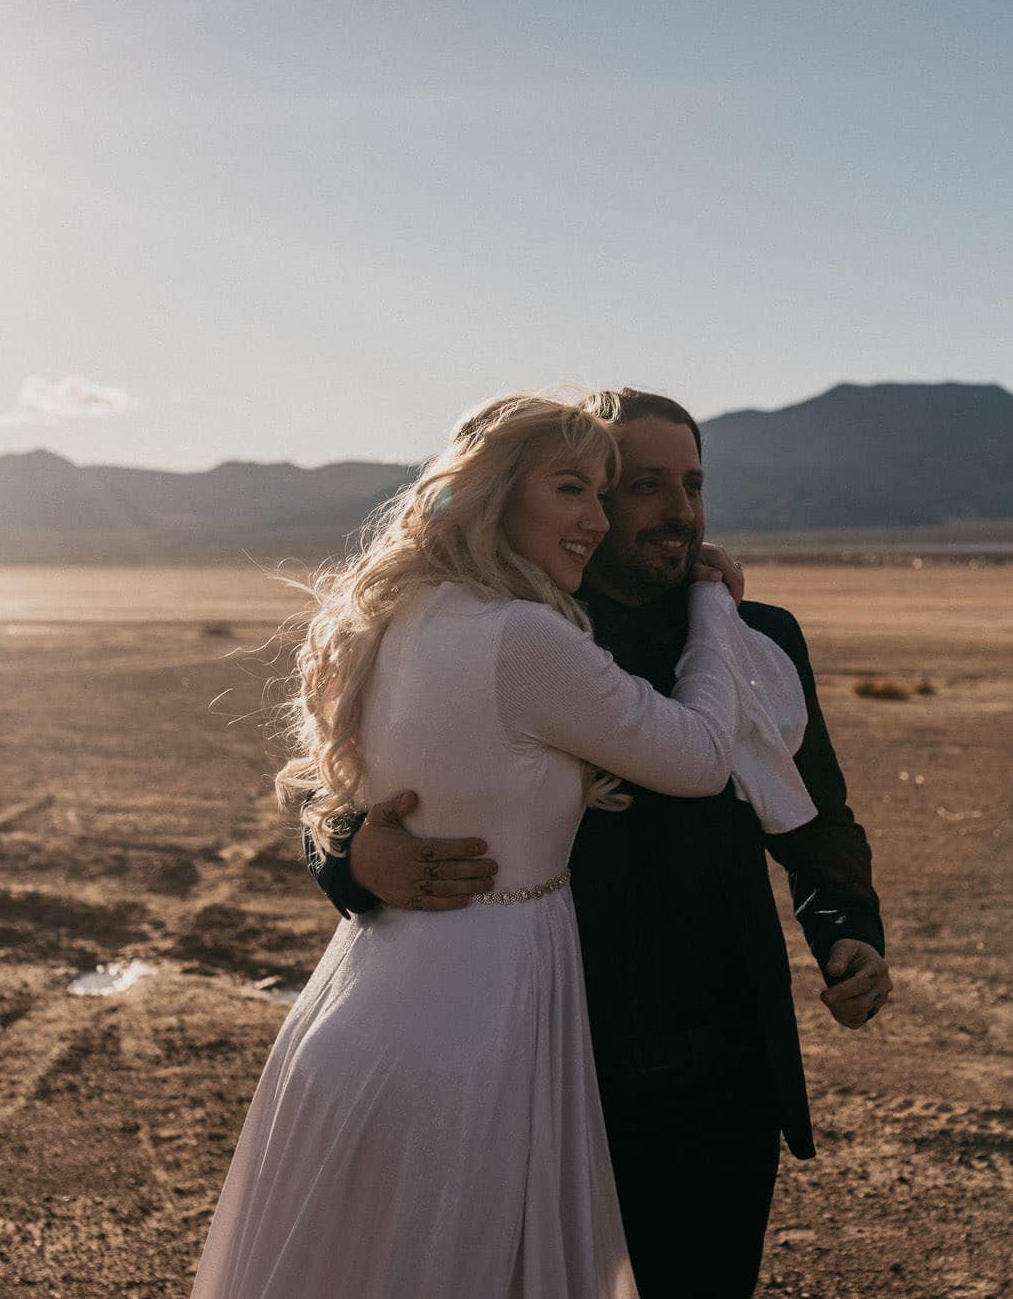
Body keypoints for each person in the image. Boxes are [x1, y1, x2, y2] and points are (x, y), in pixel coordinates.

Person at [191, 394, 816, 1298]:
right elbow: (699, 755)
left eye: (606, 494)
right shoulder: (525, 637)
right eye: (574, 489)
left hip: (369, 998)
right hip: (478, 1014)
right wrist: (715, 612)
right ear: (491, 495)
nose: (597, 520)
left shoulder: (400, 615)